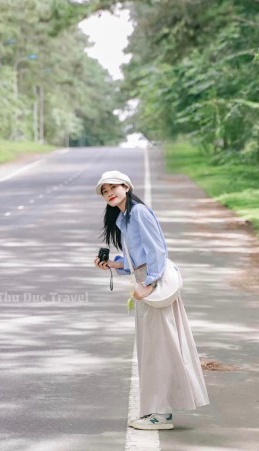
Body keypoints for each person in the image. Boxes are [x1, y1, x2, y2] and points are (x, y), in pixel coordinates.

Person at [93, 170, 209, 431]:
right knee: (154, 349)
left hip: (153, 285)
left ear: (126, 186)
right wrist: (114, 263)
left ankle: (162, 414)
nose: (109, 193)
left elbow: (157, 250)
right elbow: (137, 257)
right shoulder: (125, 217)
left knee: (160, 349)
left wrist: (148, 284)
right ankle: (157, 410)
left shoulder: (138, 213)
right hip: (146, 283)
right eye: (104, 190)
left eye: (113, 187)